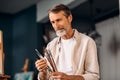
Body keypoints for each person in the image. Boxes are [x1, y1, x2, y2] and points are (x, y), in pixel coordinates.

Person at [35, 4, 99, 80]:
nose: (56, 26)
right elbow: (44, 78)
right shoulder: (50, 46)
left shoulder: (87, 42)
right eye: (53, 22)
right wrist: (43, 71)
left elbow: (94, 76)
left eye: (58, 20)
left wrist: (69, 78)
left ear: (70, 18)